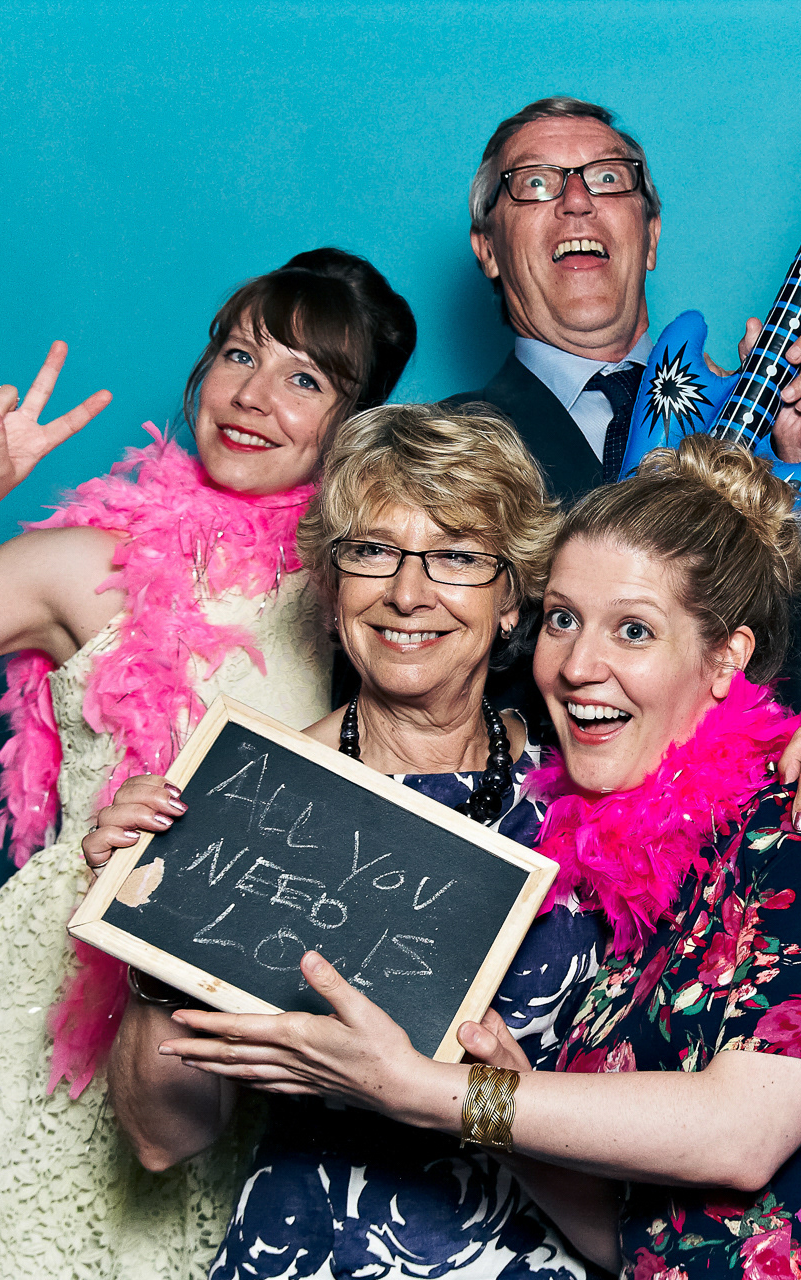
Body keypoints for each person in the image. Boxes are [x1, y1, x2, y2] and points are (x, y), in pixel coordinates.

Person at [125, 438, 801, 1278]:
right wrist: (160, 907)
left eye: (633, 628)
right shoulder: (625, 864)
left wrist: (437, 1094)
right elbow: (624, 1233)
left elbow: (739, 1134)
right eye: (566, 619)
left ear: (726, 658)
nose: (578, 664)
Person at [0, 248, 417, 1279]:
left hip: (234, 1040)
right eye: (237, 352)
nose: (251, 395)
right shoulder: (91, 564)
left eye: (305, 376)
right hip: (44, 1016)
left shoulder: (375, 591)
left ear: (356, 421)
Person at [85, 404, 599, 1278]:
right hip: (321, 1250)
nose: (408, 593)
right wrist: (152, 924)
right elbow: (166, 1139)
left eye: (459, 557)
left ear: (515, 598)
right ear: (331, 585)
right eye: (371, 551)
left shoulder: (591, 787)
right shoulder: (250, 795)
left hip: (554, 1245)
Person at [446, 96, 801, 724]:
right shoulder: (443, 451)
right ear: (488, 249)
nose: (576, 200)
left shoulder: (755, 421)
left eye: (607, 177)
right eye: (535, 183)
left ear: (651, 237)